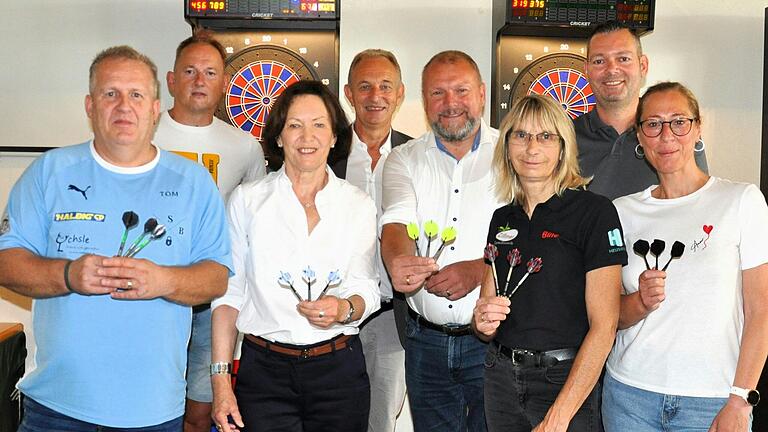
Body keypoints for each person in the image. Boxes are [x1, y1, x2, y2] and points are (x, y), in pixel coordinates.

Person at [0, 45, 232, 430]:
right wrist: (68, 275)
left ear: (156, 108)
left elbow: (217, 277)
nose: (124, 106)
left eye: (136, 95)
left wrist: (164, 280)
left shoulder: (193, 181)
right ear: (91, 106)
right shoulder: (49, 171)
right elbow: (6, 262)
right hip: (56, 409)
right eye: (111, 94)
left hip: (154, 412)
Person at [210, 80, 381, 432]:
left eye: (319, 125)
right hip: (264, 376)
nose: (308, 137)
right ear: (278, 136)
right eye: (294, 125)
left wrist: (344, 309)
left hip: (339, 373)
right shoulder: (247, 200)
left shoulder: (357, 204)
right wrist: (221, 381)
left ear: (335, 136)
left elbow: (367, 288)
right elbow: (229, 294)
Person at [602, 81, 768, 432]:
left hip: (712, 401)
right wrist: (640, 303)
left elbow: (761, 311)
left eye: (679, 121)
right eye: (653, 124)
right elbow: (607, 316)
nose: (667, 135)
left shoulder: (741, 201)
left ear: (697, 127)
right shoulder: (620, 211)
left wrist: (741, 400)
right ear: (639, 136)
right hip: (629, 396)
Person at [472, 94, 626, 431]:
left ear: (563, 147)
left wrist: (560, 414)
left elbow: (604, 327)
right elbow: (487, 310)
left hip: (564, 379)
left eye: (545, 136)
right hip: (500, 378)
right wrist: (482, 321)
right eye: (521, 135)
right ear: (507, 145)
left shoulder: (595, 213)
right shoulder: (502, 218)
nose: (531, 148)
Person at [380, 50, 500, 432]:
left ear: (481, 94)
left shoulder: (514, 153)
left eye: (461, 90)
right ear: (423, 99)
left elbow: (535, 236)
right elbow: (395, 221)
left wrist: (482, 270)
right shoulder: (403, 159)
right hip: (424, 342)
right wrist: (398, 261)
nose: (451, 104)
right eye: (437, 93)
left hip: (494, 344)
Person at [153, 31, 266, 432]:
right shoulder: (143, 133)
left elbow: (254, 222)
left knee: (201, 409)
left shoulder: (246, 147)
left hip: (213, 294)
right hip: (150, 294)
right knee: (151, 403)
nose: (199, 80)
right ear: (170, 80)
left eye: (210, 72)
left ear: (223, 83)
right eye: (189, 71)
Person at [333, 48, 411, 432]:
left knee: (380, 421)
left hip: (391, 317)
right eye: (364, 86)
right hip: (330, 313)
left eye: (385, 86)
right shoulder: (325, 154)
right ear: (349, 93)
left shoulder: (418, 155)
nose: (375, 96)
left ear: (400, 94)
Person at [575, 20, 707, 200]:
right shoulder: (563, 138)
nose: (612, 69)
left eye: (623, 59)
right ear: (587, 70)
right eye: (599, 61)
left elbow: (697, 205)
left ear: (643, 66)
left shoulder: (673, 137)